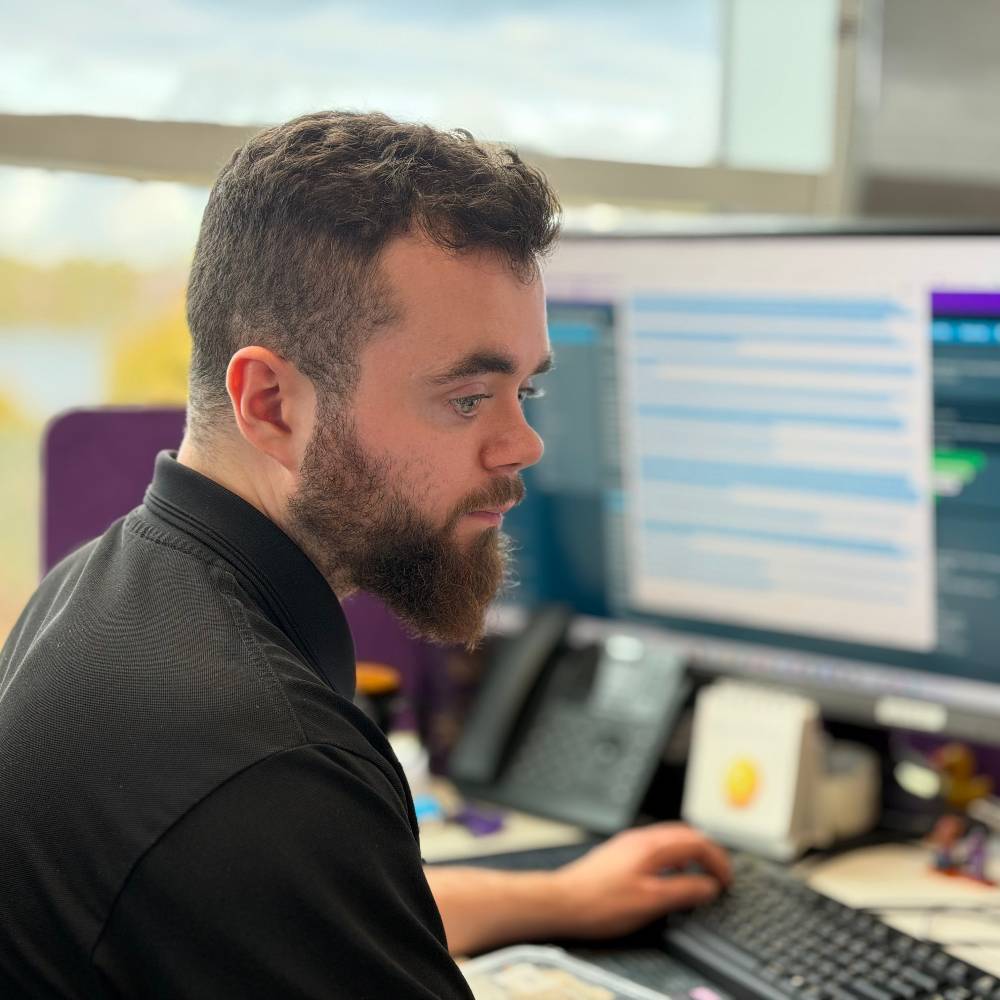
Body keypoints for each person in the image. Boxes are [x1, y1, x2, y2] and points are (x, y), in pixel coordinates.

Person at [0, 110, 729, 998]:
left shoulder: (109, 590)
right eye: (468, 398)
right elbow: (281, 854)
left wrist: (560, 898)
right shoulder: (267, 766)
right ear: (270, 404)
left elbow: (303, 908)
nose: (523, 445)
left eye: (525, 391)